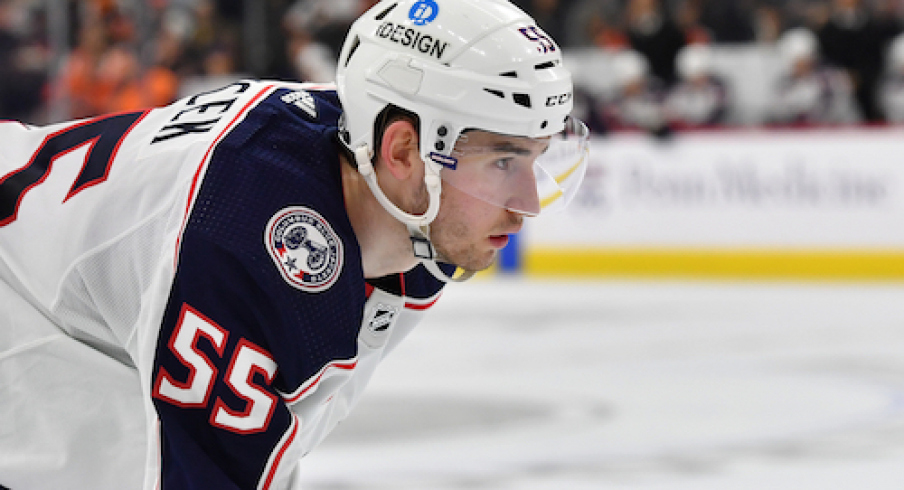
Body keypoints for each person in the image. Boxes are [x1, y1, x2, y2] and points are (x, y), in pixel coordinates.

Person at [0, 0, 589, 489]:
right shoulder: (244, 239)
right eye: (505, 159)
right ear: (403, 150)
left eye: (535, 157)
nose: (529, 203)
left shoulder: (411, 206)